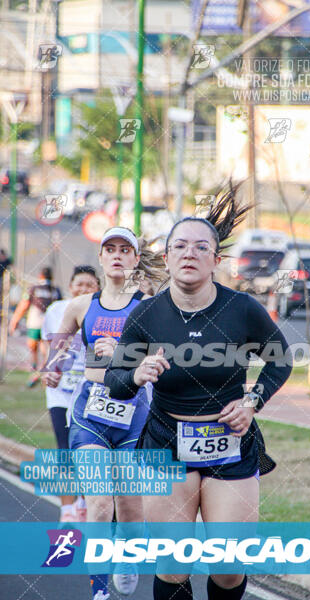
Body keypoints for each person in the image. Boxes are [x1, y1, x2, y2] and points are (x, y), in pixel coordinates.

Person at [105, 185, 293, 600]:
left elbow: (281, 360)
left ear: (216, 259)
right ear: (168, 256)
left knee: (228, 566)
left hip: (230, 444)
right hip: (166, 444)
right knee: (173, 565)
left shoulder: (242, 308)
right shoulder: (146, 314)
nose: (189, 253)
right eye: (180, 246)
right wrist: (137, 375)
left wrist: (252, 401)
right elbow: (114, 383)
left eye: (200, 247)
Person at [43, 227, 165, 600]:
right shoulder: (80, 306)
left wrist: (125, 356)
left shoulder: (150, 306)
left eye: (124, 249)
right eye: (109, 249)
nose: (116, 255)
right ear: (100, 258)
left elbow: (163, 356)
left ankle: (125, 558)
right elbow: (60, 347)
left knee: (130, 509)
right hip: (90, 414)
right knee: (98, 503)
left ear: (133, 259)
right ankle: (99, 591)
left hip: (134, 415)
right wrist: (54, 366)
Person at [41, 265, 100, 522]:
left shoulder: (101, 311)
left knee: (88, 451)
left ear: (98, 288)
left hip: (90, 394)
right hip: (61, 394)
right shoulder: (55, 311)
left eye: (90, 285)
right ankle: (67, 510)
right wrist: (49, 370)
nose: (83, 288)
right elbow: (49, 348)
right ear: (70, 286)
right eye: (79, 284)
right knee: (64, 449)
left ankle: (85, 503)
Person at [9, 266, 62, 387]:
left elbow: (24, 305)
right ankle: (39, 373)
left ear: (40, 276)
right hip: (49, 324)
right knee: (45, 351)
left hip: (35, 322)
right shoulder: (55, 290)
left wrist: (14, 321)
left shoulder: (34, 288)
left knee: (33, 348)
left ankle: (36, 373)